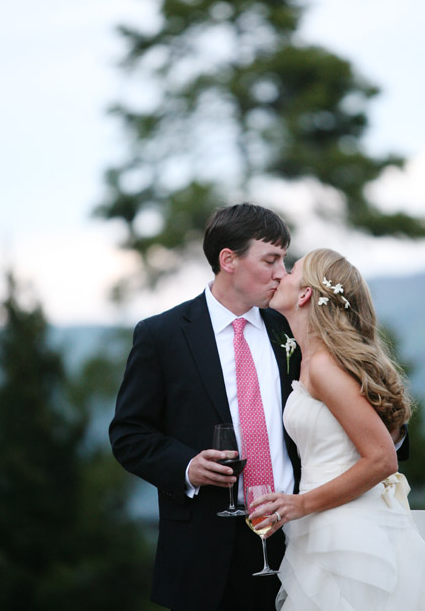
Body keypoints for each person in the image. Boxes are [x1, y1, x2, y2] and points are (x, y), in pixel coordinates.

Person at [109, 203, 301, 611]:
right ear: (228, 260)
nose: (282, 273)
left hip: (300, 538)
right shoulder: (161, 336)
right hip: (205, 552)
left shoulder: (291, 328)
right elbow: (129, 435)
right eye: (271, 260)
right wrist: (187, 468)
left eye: (283, 259)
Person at [249, 247, 425, 610]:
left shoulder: (324, 366)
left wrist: (300, 504)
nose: (281, 275)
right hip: (326, 525)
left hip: (348, 531)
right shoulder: (311, 359)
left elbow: (382, 459)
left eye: (292, 270)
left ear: (306, 293)